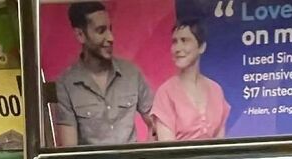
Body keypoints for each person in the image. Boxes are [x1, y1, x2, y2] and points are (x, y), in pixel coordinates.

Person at [55, 2, 153, 147]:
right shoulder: (66, 84)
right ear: (80, 35)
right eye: (101, 31)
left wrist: (146, 157)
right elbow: (69, 152)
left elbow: (158, 123)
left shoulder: (131, 73)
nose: (111, 37)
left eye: (110, 29)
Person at [151, 20, 230, 142]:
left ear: (201, 47)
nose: (177, 48)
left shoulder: (216, 90)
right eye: (174, 42)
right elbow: (167, 151)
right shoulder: (166, 92)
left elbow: (220, 145)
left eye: (184, 40)